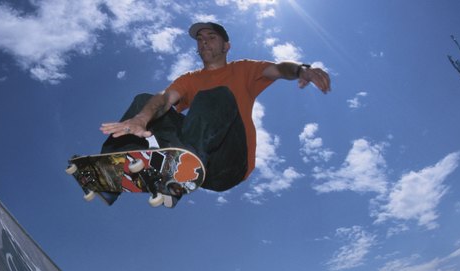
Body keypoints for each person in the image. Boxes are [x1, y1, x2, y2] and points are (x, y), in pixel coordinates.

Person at [100, 22, 331, 202]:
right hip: (196, 156)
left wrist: (301, 70)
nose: (204, 43)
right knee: (146, 100)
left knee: (217, 95)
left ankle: (183, 168)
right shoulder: (189, 79)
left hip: (229, 163)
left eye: (211, 38)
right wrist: (141, 118)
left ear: (226, 46)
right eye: (200, 40)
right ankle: (110, 173)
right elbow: (165, 99)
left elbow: (279, 69)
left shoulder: (244, 69)